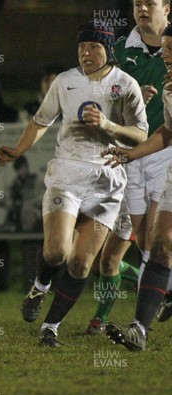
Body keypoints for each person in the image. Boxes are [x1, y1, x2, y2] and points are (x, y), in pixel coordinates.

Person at [0, 20, 148, 347]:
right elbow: (40, 121)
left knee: (80, 263)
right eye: (81, 48)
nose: (86, 53)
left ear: (108, 50)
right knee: (55, 252)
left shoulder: (126, 85)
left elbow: (141, 133)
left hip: (108, 183)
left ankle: (50, 327)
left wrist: (108, 125)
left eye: (93, 47)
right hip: (67, 176)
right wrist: (18, 149)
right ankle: (39, 287)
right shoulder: (65, 82)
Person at [85, 0, 170, 334]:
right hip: (126, 158)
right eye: (137, 3)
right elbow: (99, 98)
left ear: (168, 8)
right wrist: (131, 98)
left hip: (164, 153)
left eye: (150, 3)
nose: (142, 9)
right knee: (139, 245)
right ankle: (155, 295)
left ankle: (129, 321)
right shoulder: (121, 49)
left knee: (155, 239)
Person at [103, 23, 172, 351]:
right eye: (166, 50)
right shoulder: (170, 86)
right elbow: (167, 133)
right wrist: (132, 152)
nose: (167, 57)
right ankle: (139, 329)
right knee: (160, 244)